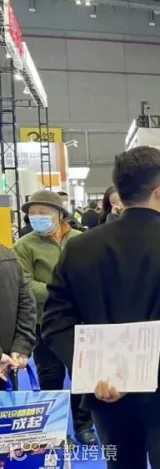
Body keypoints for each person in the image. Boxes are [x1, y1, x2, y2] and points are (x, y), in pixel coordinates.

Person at [42, 146, 160, 469]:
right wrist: (133, 373)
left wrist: (95, 371)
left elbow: (54, 321)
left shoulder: (80, 248)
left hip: (106, 392)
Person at [13, 190, 97, 446]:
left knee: (82, 374)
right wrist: (62, 292)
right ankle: (56, 430)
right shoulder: (24, 245)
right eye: (32, 213)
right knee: (50, 375)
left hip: (81, 321)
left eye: (43, 212)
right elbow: (26, 285)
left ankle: (84, 425)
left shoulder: (82, 240)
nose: (36, 217)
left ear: (60, 214)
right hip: (44, 322)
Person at [0, 243, 36, 390]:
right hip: (6, 363)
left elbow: (25, 301)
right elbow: (27, 303)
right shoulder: (7, 255)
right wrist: (21, 346)